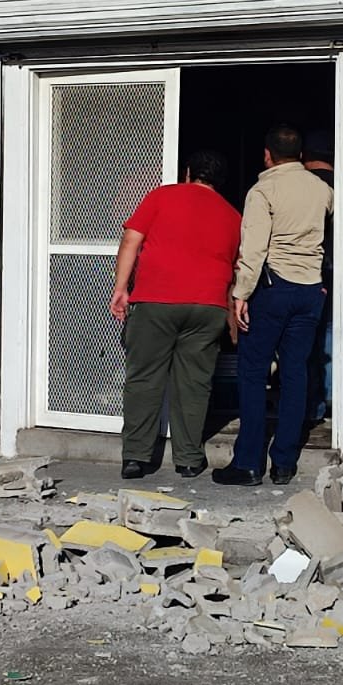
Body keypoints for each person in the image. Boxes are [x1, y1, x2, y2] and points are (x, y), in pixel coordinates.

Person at [110, 149, 242, 480]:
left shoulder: (161, 196)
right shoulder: (232, 215)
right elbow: (237, 264)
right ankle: (188, 459)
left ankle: (136, 458)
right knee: (194, 383)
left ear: (187, 173)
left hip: (156, 301)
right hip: (208, 306)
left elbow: (131, 240)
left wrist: (121, 287)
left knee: (144, 378)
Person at [214, 125, 333, 487]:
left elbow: (254, 249)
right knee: (296, 372)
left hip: (272, 288)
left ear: (267, 155)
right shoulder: (323, 191)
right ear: (300, 154)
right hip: (309, 290)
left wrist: (240, 294)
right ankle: (284, 463)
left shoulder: (263, 191)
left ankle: (248, 463)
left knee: (253, 373)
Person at [302, 129, 335, 427]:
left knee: (312, 341)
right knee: (335, 334)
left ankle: (314, 407)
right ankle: (335, 401)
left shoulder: (305, 187)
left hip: (312, 268)